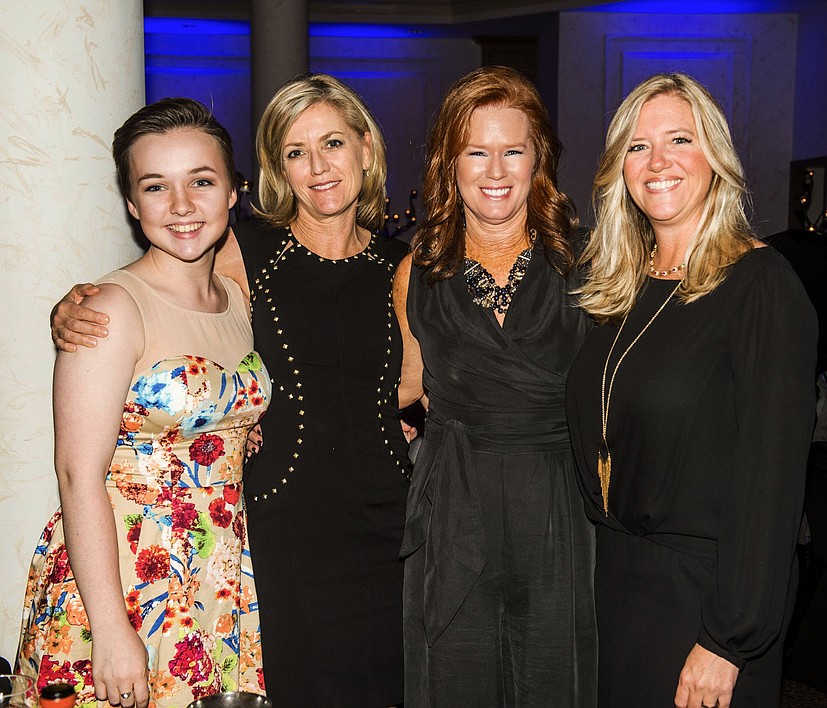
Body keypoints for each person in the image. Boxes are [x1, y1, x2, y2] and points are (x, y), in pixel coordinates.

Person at [49, 74, 410, 708]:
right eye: (295, 152)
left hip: (382, 528)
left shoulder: (402, 265)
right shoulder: (247, 251)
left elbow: (422, 379)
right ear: (274, 173)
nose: (318, 166)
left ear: (367, 150)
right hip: (276, 530)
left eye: (332, 143)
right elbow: (151, 287)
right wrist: (73, 308)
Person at [565, 73, 817, 708]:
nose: (658, 162)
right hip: (618, 588)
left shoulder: (761, 287)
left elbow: (771, 483)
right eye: (637, 145)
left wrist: (728, 639)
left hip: (702, 605)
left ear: (717, 158)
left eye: (680, 139)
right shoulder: (617, 287)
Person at [17, 98, 269, 707]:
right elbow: (78, 475)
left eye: (201, 182)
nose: (181, 206)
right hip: (124, 580)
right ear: (132, 204)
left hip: (219, 573)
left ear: (233, 191)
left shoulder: (239, 300)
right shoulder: (108, 309)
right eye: (156, 187)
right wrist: (110, 630)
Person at [394, 66, 597, 706]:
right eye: (475, 152)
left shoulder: (591, 261)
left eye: (513, 150)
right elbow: (403, 388)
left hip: (559, 504)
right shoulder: (416, 269)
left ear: (540, 158)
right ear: (447, 163)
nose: (495, 170)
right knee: (455, 674)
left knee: (553, 678)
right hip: (454, 506)